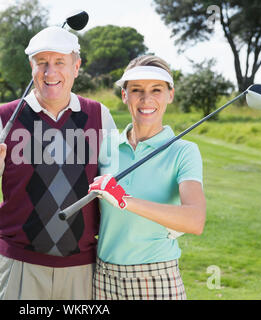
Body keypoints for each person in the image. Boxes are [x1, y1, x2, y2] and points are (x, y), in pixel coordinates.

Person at [0, 26, 117, 300]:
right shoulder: (4, 117)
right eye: (42, 63)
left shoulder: (99, 116)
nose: (50, 72)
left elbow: (114, 193)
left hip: (81, 267)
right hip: (20, 266)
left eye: (59, 62)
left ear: (76, 66)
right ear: (30, 67)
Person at [88, 55, 206, 300]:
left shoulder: (183, 151)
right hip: (103, 276)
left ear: (170, 95)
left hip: (155, 277)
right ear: (124, 95)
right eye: (137, 90)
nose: (146, 99)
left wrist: (125, 200)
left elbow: (195, 220)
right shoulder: (106, 146)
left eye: (156, 90)